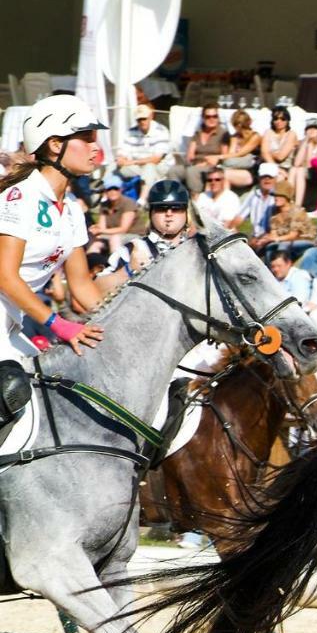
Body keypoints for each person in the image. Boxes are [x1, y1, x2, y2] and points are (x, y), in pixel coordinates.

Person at [0, 95, 107, 427]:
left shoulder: (73, 209)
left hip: (13, 323)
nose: (96, 147)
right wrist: (58, 324)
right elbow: (4, 275)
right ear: (56, 145)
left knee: (58, 394)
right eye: (86, 137)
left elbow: (82, 288)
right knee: (13, 394)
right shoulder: (20, 197)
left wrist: (125, 324)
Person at [95, 179, 191, 292]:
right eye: (161, 208)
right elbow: (95, 288)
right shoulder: (131, 250)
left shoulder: (197, 248)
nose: (169, 214)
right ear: (151, 213)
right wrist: (127, 270)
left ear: (186, 212)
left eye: (176, 208)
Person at [115, 103, 171, 195]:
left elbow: (156, 159)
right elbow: (123, 152)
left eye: (144, 118)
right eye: (139, 119)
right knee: (113, 166)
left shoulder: (161, 131)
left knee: (149, 167)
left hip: (159, 166)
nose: (142, 121)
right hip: (137, 166)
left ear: (151, 116)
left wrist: (131, 162)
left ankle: (142, 200)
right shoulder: (130, 132)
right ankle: (104, 196)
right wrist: (121, 159)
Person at [171, 104, 228, 194]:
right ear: (203, 118)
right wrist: (191, 161)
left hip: (212, 166)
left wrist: (204, 164)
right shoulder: (198, 133)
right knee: (174, 170)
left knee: (192, 171)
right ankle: (175, 196)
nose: (212, 119)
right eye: (208, 117)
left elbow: (225, 156)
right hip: (195, 164)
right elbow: (190, 155)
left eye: (215, 116)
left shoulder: (223, 134)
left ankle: (195, 197)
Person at [87, 174, 144, 256]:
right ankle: (93, 263)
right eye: (109, 189)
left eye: (116, 189)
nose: (113, 192)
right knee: (94, 240)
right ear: (105, 191)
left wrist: (100, 231)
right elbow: (102, 227)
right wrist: (95, 228)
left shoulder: (128, 203)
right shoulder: (104, 205)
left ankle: (116, 266)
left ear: (121, 189)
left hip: (134, 236)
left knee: (115, 239)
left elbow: (123, 229)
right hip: (114, 235)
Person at [259, 181, 316, 261]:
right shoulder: (274, 211)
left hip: (304, 241)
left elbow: (293, 235)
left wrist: (276, 239)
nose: (276, 198)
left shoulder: (297, 211)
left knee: (282, 247)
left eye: (279, 195)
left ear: (287, 197)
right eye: (275, 195)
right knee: (269, 248)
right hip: (284, 241)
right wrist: (265, 239)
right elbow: (273, 233)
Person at [234, 164, 279, 248]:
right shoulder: (253, 195)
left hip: (273, 237)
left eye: (270, 177)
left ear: (276, 178)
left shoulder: (279, 196)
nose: (267, 179)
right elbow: (239, 217)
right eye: (263, 176)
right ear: (259, 178)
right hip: (256, 238)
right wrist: (233, 229)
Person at [221, 109, 262, 189]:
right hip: (235, 168)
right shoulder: (235, 137)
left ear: (239, 125)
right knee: (221, 175)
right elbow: (229, 157)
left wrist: (219, 157)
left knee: (223, 174)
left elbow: (240, 154)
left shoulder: (255, 136)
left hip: (251, 171)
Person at [260, 107, 299, 176]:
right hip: (269, 166)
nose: (279, 121)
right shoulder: (268, 132)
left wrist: (268, 152)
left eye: (282, 119)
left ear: (287, 120)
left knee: (279, 178)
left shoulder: (291, 134)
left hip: (285, 168)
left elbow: (280, 157)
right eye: (276, 119)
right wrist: (276, 169)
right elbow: (264, 153)